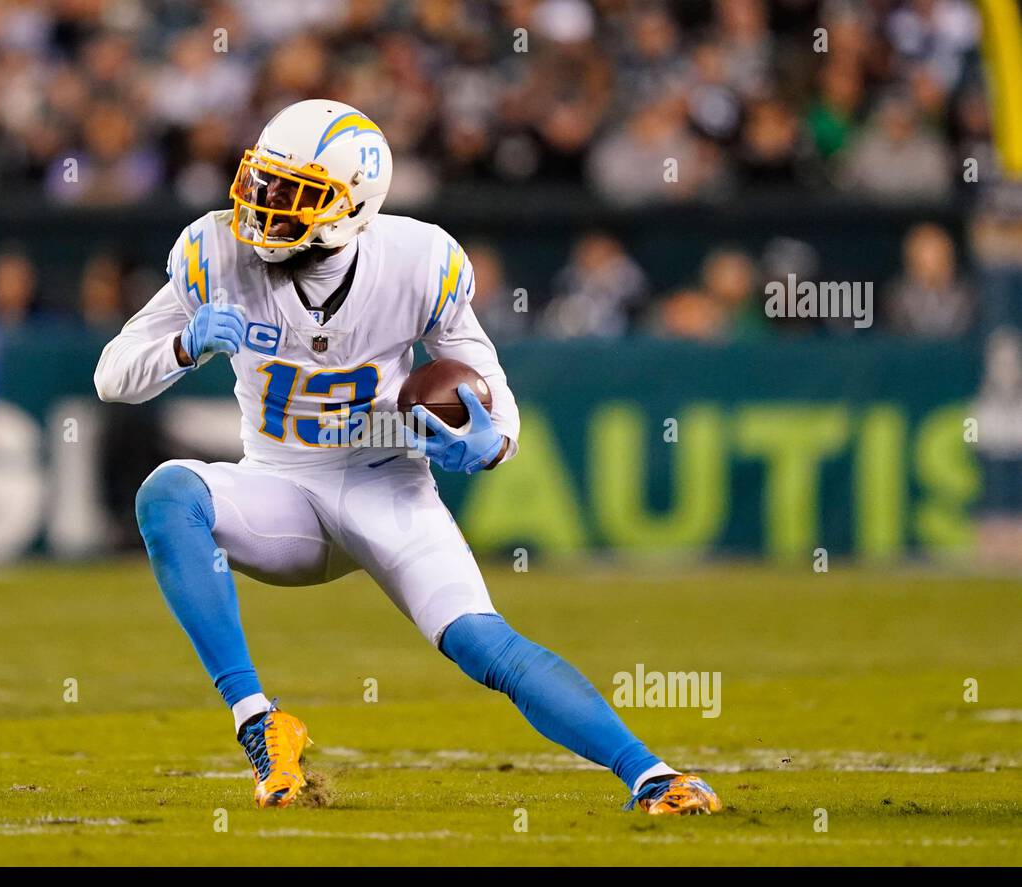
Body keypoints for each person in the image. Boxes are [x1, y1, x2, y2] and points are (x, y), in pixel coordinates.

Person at [94, 100, 722, 815]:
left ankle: (655, 776)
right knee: (166, 493)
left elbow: (489, 391)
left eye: (293, 194)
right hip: (277, 490)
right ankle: (260, 723)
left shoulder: (417, 261)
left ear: (350, 206)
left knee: (484, 645)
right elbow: (112, 377)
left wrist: (491, 442)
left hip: (385, 483)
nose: (264, 208)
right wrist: (182, 344)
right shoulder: (213, 254)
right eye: (262, 184)